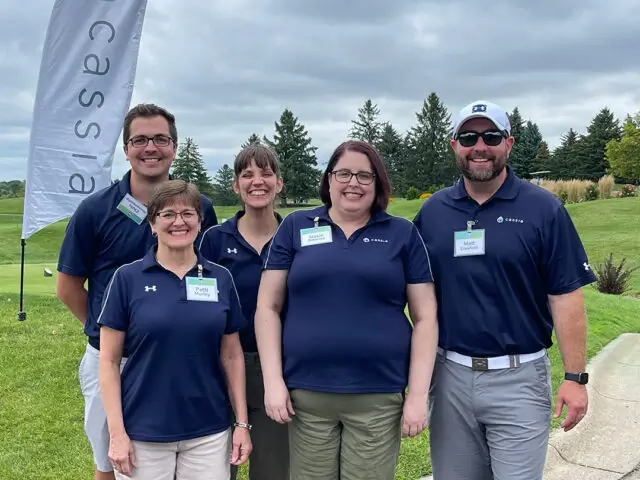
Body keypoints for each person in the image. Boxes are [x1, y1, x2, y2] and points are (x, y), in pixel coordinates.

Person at [413, 100, 596, 480]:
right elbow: (408, 290)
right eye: (468, 137)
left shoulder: (543, 208)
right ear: (454, 145)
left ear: (508, 143)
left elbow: (565, 297)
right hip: (448, 377)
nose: (479, 145)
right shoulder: (433, 213)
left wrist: (575, 377)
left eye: (490, 136)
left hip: (519, 379)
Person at [254, 139, 439, 480]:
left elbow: (426, 318)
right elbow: (267, 307)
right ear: (328, 180)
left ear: (378, 183)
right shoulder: (296, 227)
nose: (353, 183)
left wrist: (416, 395)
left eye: (364, 176)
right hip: (307, 399)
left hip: (377, 396)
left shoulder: (402, 234)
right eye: (343, 173)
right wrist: (273, 381)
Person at [55, 103, 218, 480]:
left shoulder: (199, 208)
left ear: (174, 147)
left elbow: (204, 274)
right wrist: (111, 331)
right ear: (125, 149)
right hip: (112, 360)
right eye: (140, 139)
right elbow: (68, 287)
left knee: (177, 456)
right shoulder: (95, 210)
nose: (150, 148)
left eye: (160, 139)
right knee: (111, 460)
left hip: (179, 356)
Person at [97, 179, 251, 479]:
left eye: (187, 214)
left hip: (208, 432)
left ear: (199, 222)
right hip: (143, 432)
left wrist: (242, 424)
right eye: (167, 214)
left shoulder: (220, 279)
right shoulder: (126, 279)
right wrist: (116, 434)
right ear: (152, 224)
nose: (178, 222)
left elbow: (232, 356)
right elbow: (109, 361)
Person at [198, 143, 289, 480]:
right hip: (222, 366)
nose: (257, 181)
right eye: (247, 174)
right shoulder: (214, 240)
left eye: (266, 173)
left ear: (279, 183)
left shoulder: (295, 237)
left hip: (279, 369)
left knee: (274, 468)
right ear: (236, 185)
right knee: (219, 466)